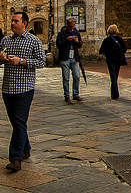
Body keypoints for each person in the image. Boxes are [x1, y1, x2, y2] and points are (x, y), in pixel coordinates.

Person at [3, 11, 46, 172]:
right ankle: (26, 148)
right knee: (16, 122)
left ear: (24, 23)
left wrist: (21, 61)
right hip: (7, 88)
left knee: (19, 121)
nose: (12, 23)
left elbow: (42, 62)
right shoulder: (6, 40)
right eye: (12, 21)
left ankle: (15, 158)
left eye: (15, 21)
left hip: (24, 88)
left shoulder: (34, 41)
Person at [54, 18, 82, 103]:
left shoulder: (76, 33)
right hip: (65, 57)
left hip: (74, 57)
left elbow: (80, 44)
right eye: (70, 26)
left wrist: (77, 41)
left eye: (73, 26)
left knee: (77, 76)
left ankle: (76, 94)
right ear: (67, 25)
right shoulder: (61, 34)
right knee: (66, 78)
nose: (71, 28)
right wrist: (67, 40)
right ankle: (66, 95)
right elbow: (59, 45)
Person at [97, 25, 127, 100]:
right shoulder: (119, 39)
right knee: (115, 75)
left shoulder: (107, 40)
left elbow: (101, 50)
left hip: (110, 59)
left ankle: (115, 93)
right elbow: (125, 49)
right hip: (118, 58)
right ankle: (114, 93)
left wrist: (105, 53)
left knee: (113, 75)